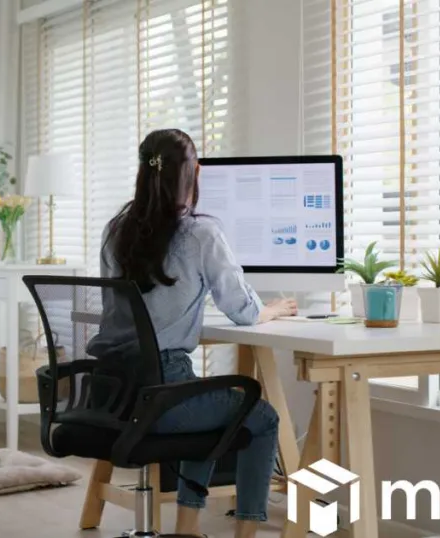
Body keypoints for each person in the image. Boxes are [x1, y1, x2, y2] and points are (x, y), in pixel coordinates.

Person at [87, 128, 297, 538]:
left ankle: (187, 529)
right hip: (164, 393)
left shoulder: (115, 232)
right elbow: (242, 310)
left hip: (112, 393)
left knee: (208, 409)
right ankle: (245, 533)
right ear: (194, 172)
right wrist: (270, 309)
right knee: (262, 417)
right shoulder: (201, 233)